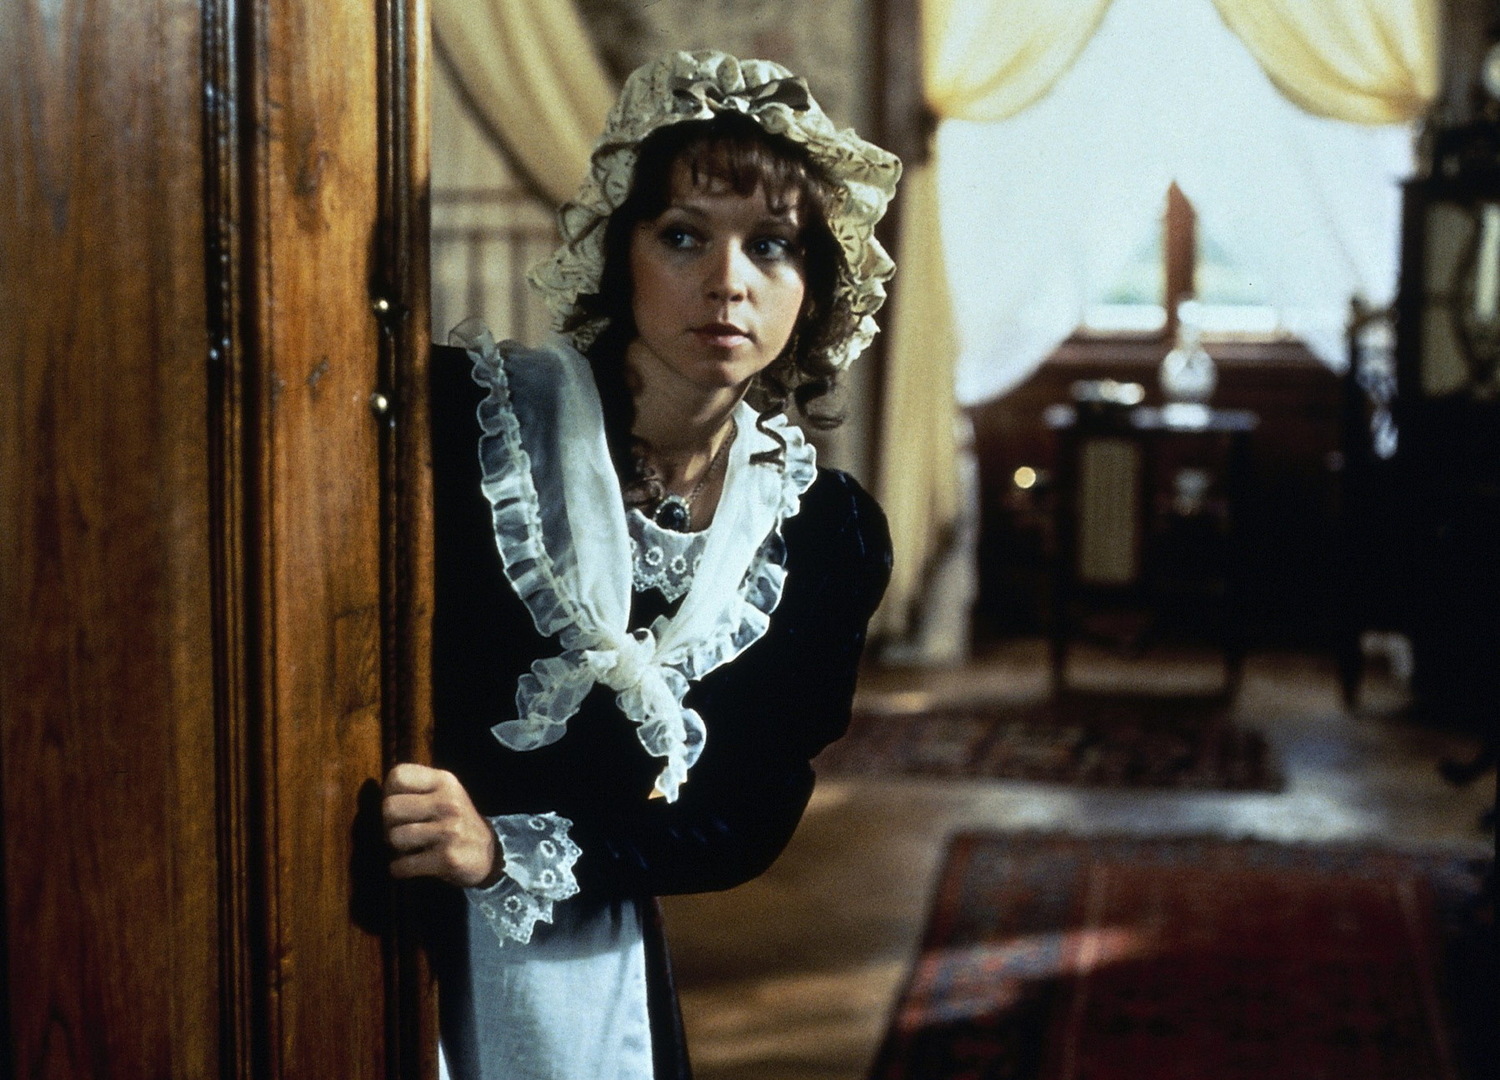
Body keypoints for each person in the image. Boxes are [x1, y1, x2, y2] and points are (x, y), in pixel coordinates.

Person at [382, 50, 901, 1080]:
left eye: (771, 247)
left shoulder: (823, 533)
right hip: (376, 922)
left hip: (586, 959)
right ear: (620, 255)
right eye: (683, 237)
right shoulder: (471, 424)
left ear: (816, 289)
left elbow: (743, 816)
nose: (728, 283)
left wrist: (509, 852)